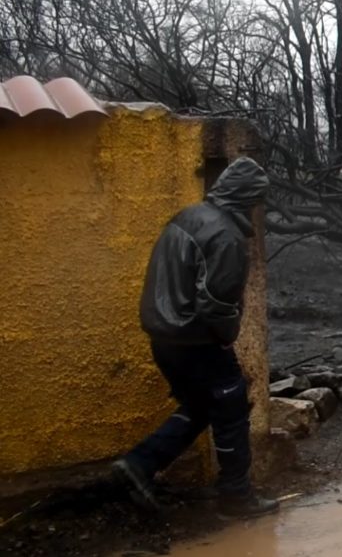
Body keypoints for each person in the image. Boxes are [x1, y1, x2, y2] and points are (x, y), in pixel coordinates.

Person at [110, 157, 280, 519]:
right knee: (232, 408)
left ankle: (139, 465)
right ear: (247, 197)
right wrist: (226, 337)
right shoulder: (226, 236)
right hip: (196, 339)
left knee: (201, 407)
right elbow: (217, 304)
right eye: (256, 201)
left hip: (164, 337)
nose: (256, 209)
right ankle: (236, 498)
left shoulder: (187, 216)